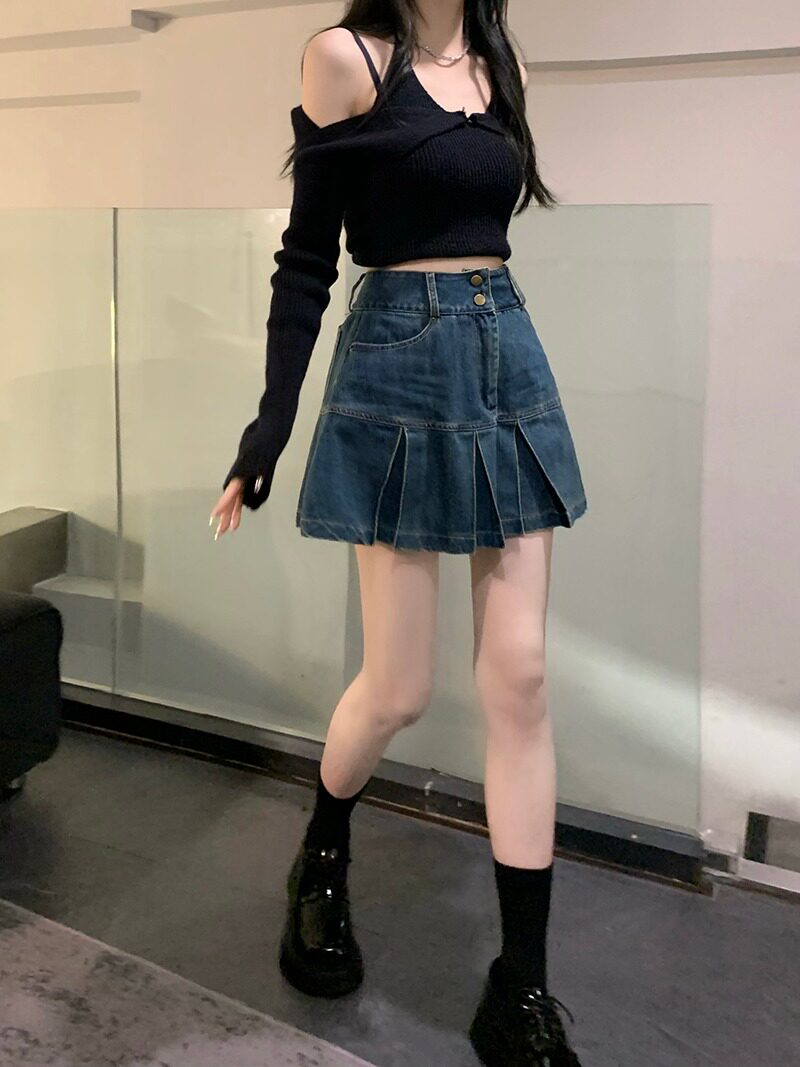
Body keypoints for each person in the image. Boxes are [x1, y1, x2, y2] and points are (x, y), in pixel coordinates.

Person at [210, 3, 587, 1064]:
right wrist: (268, 426)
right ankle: (322, 853)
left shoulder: (499, 59)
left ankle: (520, 984)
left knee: (519, 675)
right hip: (393, 360)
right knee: (399, 686)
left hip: (504, 348)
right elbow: (305, 260)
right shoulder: (345, 59)